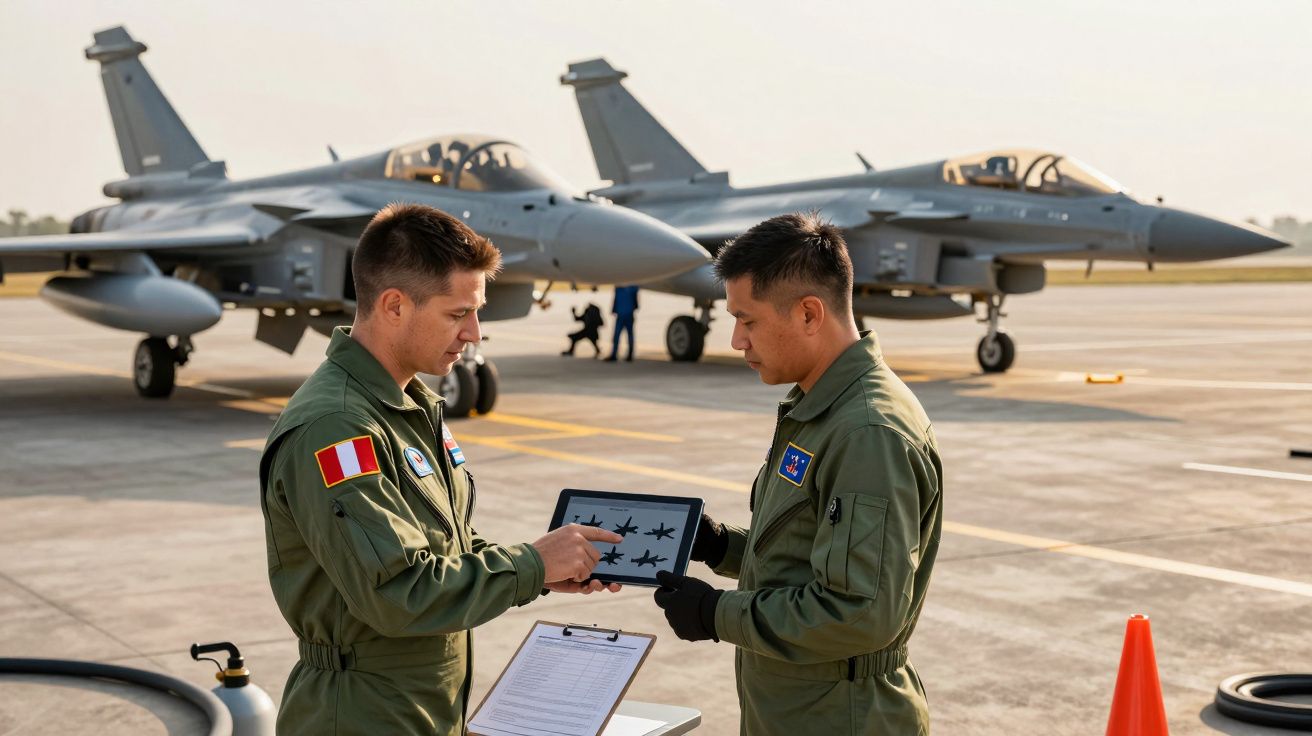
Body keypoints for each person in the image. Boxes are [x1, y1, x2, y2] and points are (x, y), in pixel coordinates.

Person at [259, 203, 623, 735]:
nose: (474, 333)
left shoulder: (406, 406)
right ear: (394, 306)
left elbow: (442, 550)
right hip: (361, 715)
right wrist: (529, 566)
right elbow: (399, 593)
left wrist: (542, 569)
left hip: (420, 707)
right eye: (458, 314)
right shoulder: (338, 426)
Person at [651, 213, 943, 735]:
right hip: (803, 709)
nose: (737, 340)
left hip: (843, 717)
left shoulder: (867, 433)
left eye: (749, 320)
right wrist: (724, 547)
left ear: (810, 314)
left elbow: (859, 611)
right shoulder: (822, 408)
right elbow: (811, 558)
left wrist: (717, 613)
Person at [605, 284, 639, 362]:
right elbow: (616, 299)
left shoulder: (632, 287)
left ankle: (629, 354)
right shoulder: (619, 287)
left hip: (627, 314)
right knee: (617, 335)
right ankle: (614, 354)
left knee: (628, 335)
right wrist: (614, 309)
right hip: (622, 314)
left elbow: (635, 300)